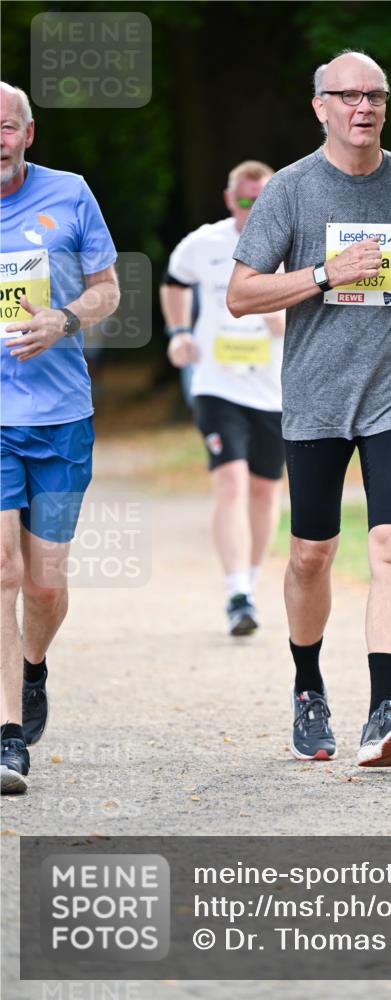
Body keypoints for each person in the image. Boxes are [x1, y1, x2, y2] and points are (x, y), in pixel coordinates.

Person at [227, 50, 391, 767]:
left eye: (375, 95)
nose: (363, 106)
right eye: (348, 95)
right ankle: (308, 687)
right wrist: (323, 274)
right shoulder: (289, 190)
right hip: (317, 396)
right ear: (320, 106)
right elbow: (241, 294)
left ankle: (383, 710)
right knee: (311, 554)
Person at [0, 82, 120, 794]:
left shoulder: (69, 193)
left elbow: (108, 289)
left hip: (59, 416)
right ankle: (8, 734)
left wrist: (64, 319)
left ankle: (32, 665)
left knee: (44, 583)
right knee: (3, 570)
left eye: (5, 127)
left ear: (28, 133)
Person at [161, 161, 285, 635]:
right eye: (245, 199)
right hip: (216, 382)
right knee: (231, 481)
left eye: (262, 198)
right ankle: (236, 592)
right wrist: (178, 332)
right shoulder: (204, 243)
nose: (253, 208)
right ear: (230, 198)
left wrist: (283, 319)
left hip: (273, 388)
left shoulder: (292, 243)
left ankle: (249, 583)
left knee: (264, 490)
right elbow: (174, 281)